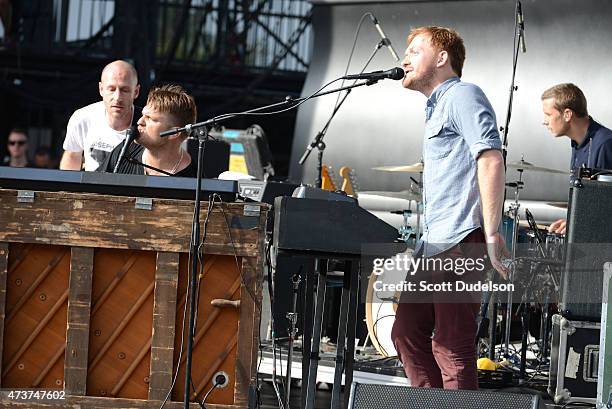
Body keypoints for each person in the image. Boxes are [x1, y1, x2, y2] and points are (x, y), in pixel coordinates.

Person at [390, 26, 508, 390]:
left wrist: (490, 232)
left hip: (460, 238)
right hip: (435, 243)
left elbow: (490, 157)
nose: (404, 58)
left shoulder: (462, 95)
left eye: (415, 50)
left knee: (451, 344)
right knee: (406, 332)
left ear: (442, 59)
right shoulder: (436, 106)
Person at [541, 83, 612, 234]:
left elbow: (606, 206)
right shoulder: (577, 143)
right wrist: (571, 223)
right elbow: (589, 203)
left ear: (567, 114)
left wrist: (578, 224)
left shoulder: (605, 144)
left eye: (548, 114)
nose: (544, 121)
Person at [98, 84, 197, 177]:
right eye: (143, 115)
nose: (140, 121)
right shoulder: (126, 150)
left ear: (174, 133)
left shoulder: (193, 179)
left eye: (150, 118)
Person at [60, 60, 140, 171]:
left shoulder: (146, 124)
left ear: (136, 92)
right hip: (90, 188)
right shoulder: (82, 118)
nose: (117, 97)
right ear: (101, 89)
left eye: (124, 90)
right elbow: (72, 158)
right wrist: (68, 188)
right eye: (111, 89)